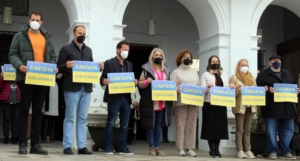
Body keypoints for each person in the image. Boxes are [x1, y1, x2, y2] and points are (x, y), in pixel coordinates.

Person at [9, 11, 57, 155]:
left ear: (42, 22)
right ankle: (22, 143)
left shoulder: (47, 37)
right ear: (29, 20)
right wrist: (19, 65)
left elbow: (53, 56)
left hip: (42, 78)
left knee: (38, 112)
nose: (35, 21)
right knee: (24, 111)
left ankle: (35, 145)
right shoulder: (19, 35)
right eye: (33, 19)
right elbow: (12, 54)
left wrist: (53, 67)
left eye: (37, 20)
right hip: (26, 78)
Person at [57, 25, 98, 155]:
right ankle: (67, 146)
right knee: (70, 117)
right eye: (80, 33)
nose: (82, 35)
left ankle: (82, 146)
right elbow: (58, 67)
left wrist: (99, 67)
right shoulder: (66, 49)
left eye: (84, 33)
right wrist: (66, 65)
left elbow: (91, 67)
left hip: (86, 88)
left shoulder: (89, 50)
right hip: (71, 87)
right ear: (74, 34)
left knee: (82, 118)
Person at [256, 55, 299, 160]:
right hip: (272, 108)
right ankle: (273, 152)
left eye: (279, 60)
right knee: (271, 130)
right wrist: (266, 90)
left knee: (288, 130)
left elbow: (293, 85)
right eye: (274, 60)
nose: (277, 62)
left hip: (287, 108)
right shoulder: (263, 74)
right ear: (270, 62)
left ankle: (286, 151)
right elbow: (258, 90)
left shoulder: (287, 73)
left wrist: (296, 91)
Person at [100, 41, 138, 155]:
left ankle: (123, 147)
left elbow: (131, 80)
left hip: (126, 98)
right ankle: (108, 147)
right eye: (124, 50)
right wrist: (104, 81)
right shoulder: (109, 63)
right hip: (114, 98)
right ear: (118, 50)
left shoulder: (129, 64)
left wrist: (134, 82)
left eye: (127, 50)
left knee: (125, 125)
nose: (126, 52)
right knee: (111, 123)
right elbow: (102, 78)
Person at [138, 48, 172, 156]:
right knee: (150, 125)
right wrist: (146, 82)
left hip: (162, 102)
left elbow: (169, 83)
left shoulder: (166, 69)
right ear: (152, 56)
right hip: (150, 102)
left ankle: (158, 147)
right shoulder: (146, 69)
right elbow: (140, 84)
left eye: (160, 55)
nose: (158, 57)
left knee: (158, 126)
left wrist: (173, 84)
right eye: (156, 55)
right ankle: (151, 147)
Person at [229, 59, 265, 159]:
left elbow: (256, 90)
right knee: (240, 129)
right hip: (240, 107)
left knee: (247, 129)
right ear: (238, 66)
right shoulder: (234, 77)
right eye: (242, 65)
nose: (245, 67)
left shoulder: (252, 78)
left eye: (246, 65)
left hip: (251, 106)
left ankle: (248, 149)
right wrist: (237, 88)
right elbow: (232, 94)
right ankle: (240, 150)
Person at [200, 55, 234, 158]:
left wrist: (232, 87)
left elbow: (227, 88)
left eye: (217, 61)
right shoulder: (205, 74)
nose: (215, 63)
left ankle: (217, 149)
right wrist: (207, 86)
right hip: (209, 104)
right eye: (213, 61)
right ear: (210, 63)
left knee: (219, 127)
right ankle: (211, 150)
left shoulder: (224, 75)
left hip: (220, 104)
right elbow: (201, 90)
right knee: (210, 127)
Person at [170, 49, 199, 157]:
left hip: (193, 102)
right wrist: (175, 89)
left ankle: (190, 148)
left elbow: (198, 84)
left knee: (191, 125)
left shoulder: (194, 71)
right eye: (184, 57)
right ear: (180, 59)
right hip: (180, 102)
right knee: (181, 125)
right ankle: (180, 148)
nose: (187, 58)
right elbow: (172, 87)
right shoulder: (175, 72)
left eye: (189, 57)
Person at [0, 71, 20, 144]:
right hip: (6, 100)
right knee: (7, 119)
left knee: (15, 119)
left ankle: (14, 137)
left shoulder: (20, 76)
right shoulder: (5, 75)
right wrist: (1, 77)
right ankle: (6, 137)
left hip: (17, 101)